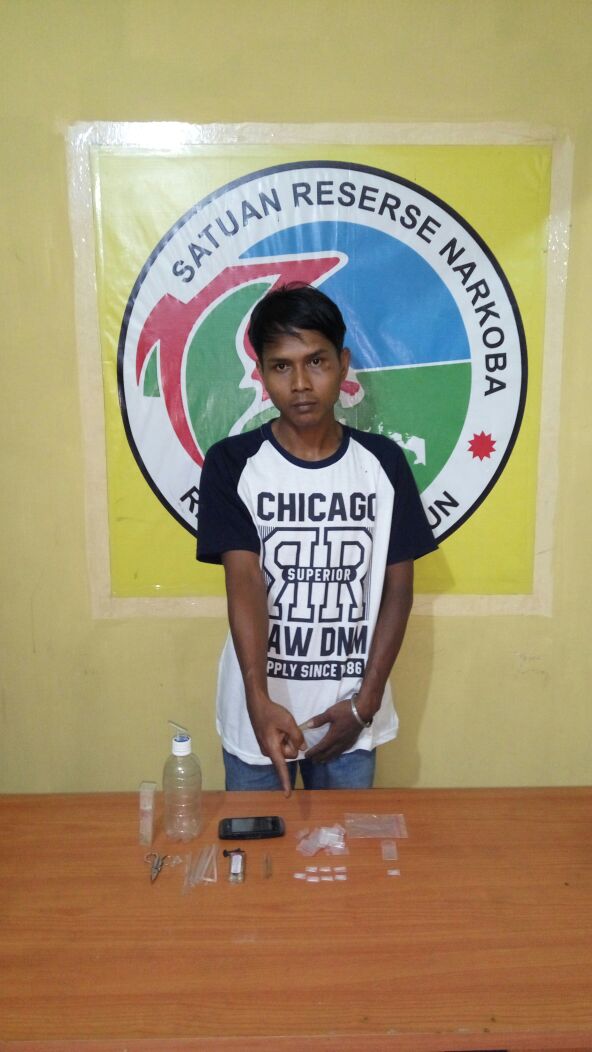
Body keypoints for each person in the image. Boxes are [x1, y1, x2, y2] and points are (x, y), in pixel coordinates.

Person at [197, 283, 437, 796]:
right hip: (259, 717)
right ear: (261, 374)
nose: (301, 383)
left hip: (350, 715)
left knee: (345, 847)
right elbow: (244, 583)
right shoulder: (232, 464)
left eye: (316, 361)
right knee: (259, 842)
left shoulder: (383, 464)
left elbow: (398, 589)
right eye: (282, 366)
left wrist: (365, 704)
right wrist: (258, 700)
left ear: (343, 363)